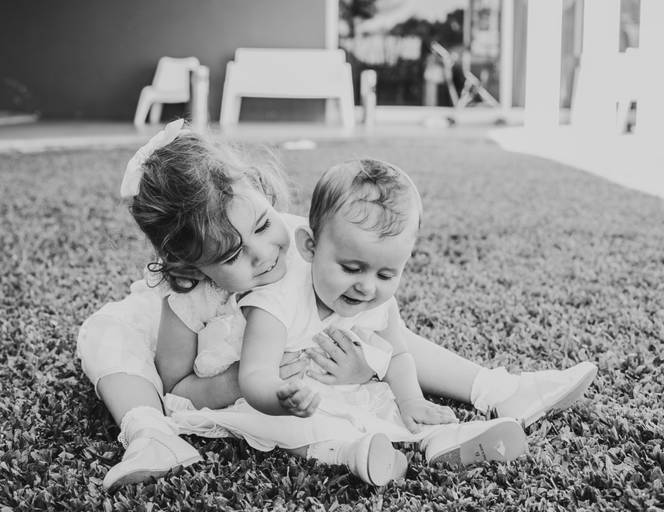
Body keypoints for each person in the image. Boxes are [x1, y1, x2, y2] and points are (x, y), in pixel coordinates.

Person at [76, 120, 598, 489]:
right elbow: (179, 386)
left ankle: (502, 389)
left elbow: (381, 331)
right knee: (111, 344)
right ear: (192, 266)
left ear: (264, 195)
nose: (263, 254)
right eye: (233, 254)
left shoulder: (308, 243)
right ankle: (148, 436)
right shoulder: (185, 297)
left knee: (376, 332)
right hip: (221, 365)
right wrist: (241, 381)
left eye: (262, 224)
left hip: (291, 357)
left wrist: (360, 373)